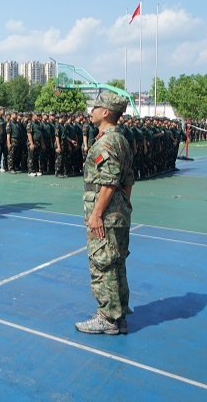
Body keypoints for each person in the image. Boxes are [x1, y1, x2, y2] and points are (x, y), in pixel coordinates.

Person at [75, 92, 135, 336]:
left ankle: (107, 318)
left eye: (96, 107)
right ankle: (118, 316)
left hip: (105, 213)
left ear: (106, 112)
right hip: (117, 212)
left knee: (102, 264)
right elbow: (128, 180)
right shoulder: (121, 139)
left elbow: (109, 182)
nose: (92, 111)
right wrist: (120, 207)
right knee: (117, 262)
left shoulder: (107, 142)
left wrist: (98, 214)